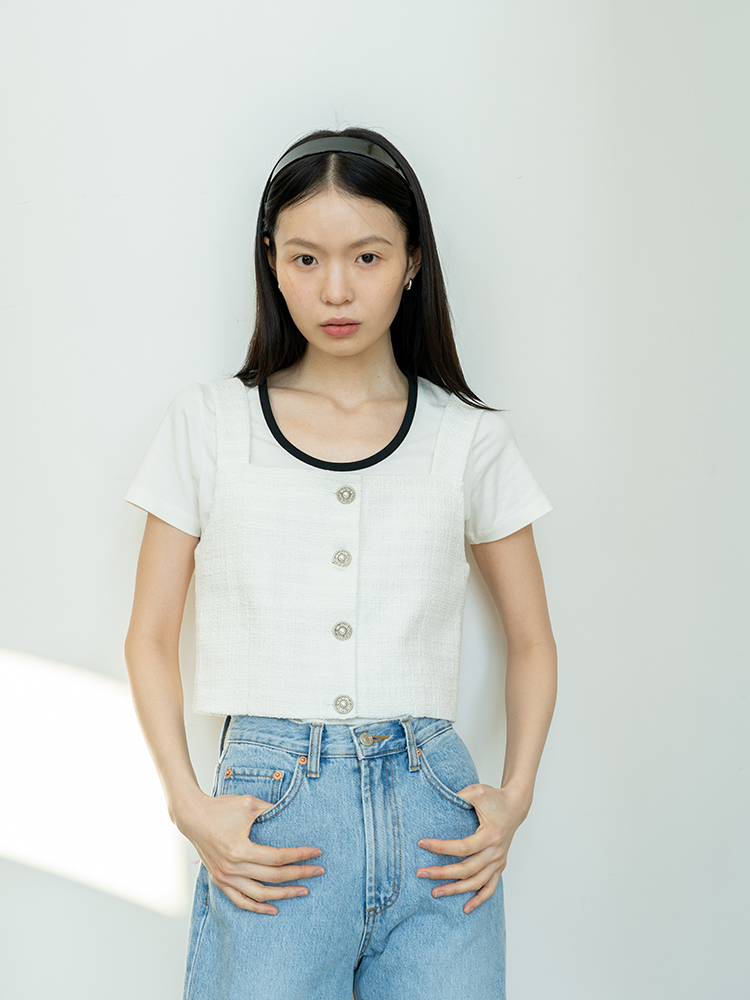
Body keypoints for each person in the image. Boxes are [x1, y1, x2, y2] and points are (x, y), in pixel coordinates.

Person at [123, 127, 557, 1000]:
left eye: (366, 256)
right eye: (305, 258)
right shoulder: (209, 424)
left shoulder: (468, 439)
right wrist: (188, 805)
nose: (335, 289)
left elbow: (532, 640)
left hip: (438, 821)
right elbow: (150, 636)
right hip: (272, 824)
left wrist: (515, 795)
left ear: (412, 262)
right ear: (272, 264)